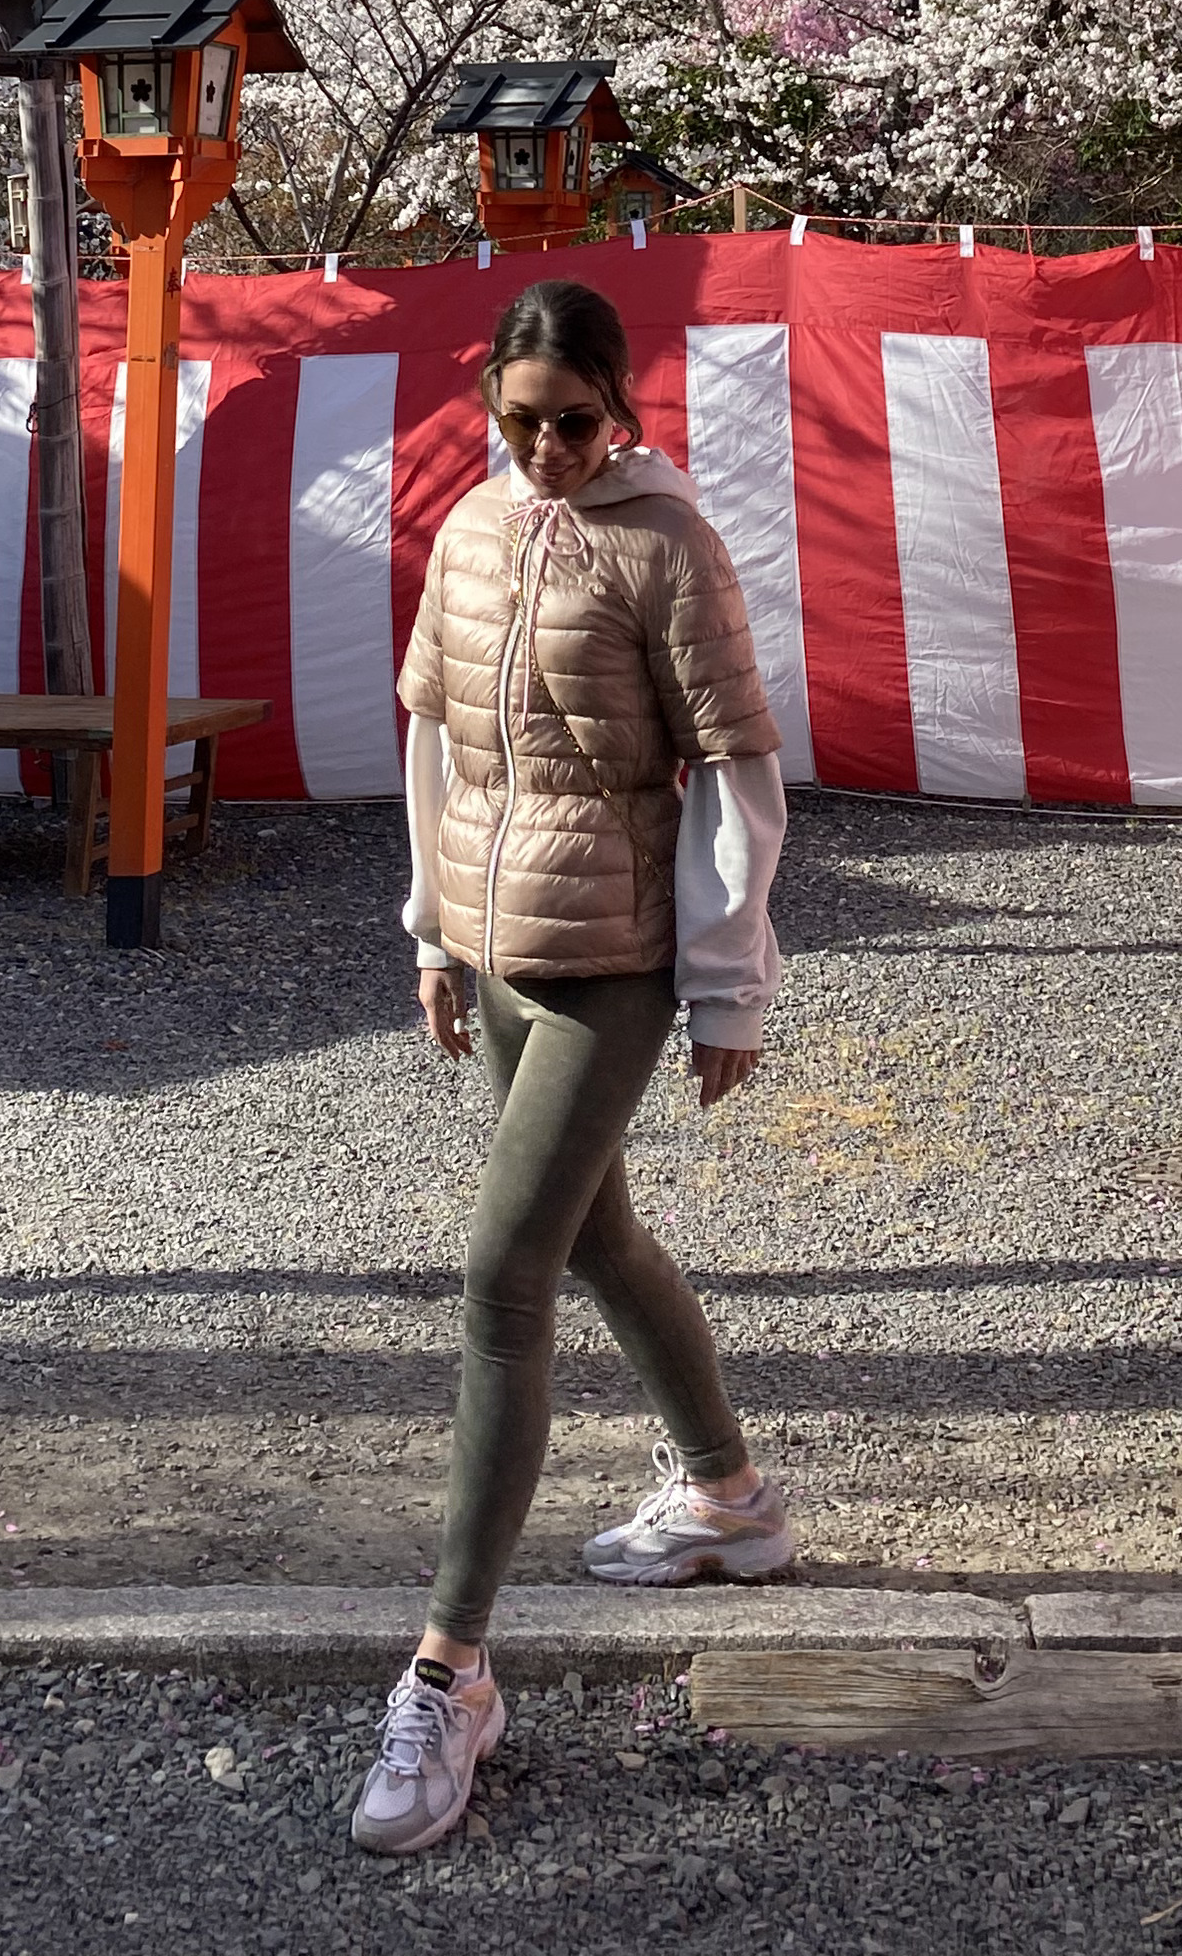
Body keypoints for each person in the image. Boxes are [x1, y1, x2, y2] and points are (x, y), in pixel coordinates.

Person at [353, 276, 793, 1860]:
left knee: (504, 1272)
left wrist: (729, 984)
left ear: (624, 408)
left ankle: (450, 1664)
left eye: (576, 421)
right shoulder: (471, 530)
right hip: (492, 942)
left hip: (616, 954)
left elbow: (736, 763)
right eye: (521, 418)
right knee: (598, 1238)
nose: (546, 447)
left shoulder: (670, 544)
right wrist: (426, 927)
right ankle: (729, 1496)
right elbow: (431, 729)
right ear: (490, 399)